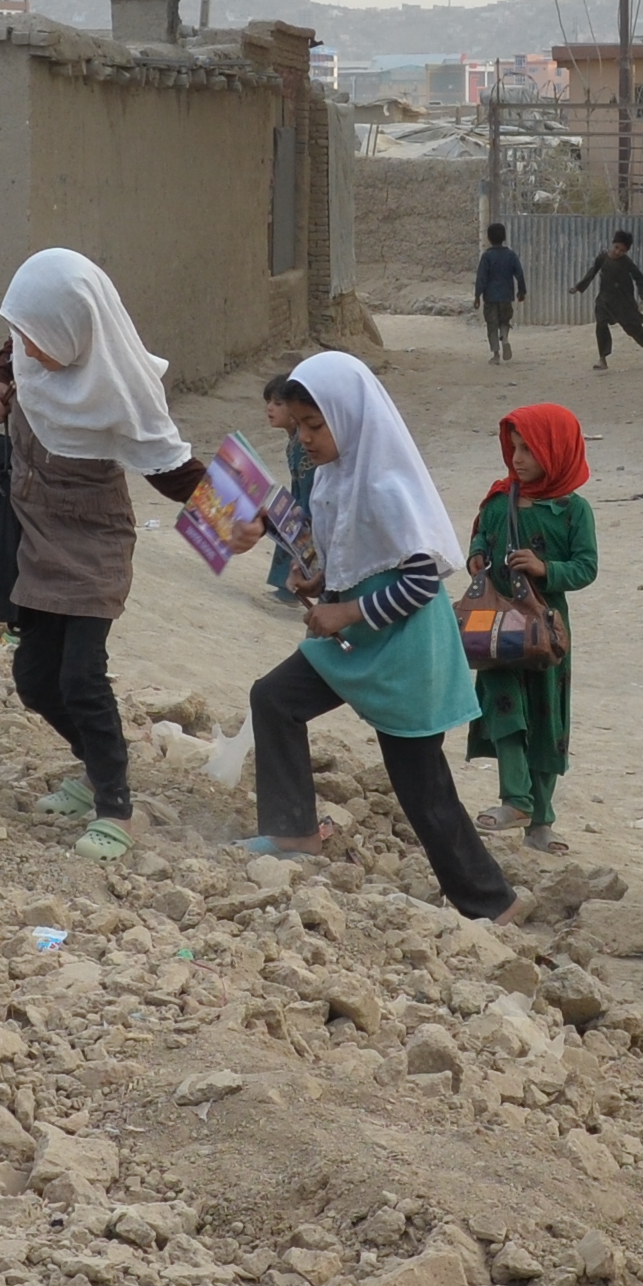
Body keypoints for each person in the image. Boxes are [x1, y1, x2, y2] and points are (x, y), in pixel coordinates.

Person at [237, 352, 516, 921]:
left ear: (352, 417)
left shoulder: (386, 486)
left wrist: (345, 613)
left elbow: (419, 581)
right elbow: (357, 556)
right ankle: (293, 832)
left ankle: (491, 904)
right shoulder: (336, 477)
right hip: (360, 644)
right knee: (274, 699)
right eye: (300, 428)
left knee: (421, 787)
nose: (306, 440)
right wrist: (320, 580)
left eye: (316, 426)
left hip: (405, 650)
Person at [0, 247, 206, 860]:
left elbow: (173, 469)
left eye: (38, 341)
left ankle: (115, 805)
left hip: (94, 542)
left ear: (77, 331)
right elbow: (11, 348)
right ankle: (91, 769)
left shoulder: (120, 390)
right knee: (33, 678)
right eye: (22, 338)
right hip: (36, 535)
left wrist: (256, 519)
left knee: (81, 677)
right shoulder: (30, 346)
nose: (27, 352)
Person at [463, 403, 599, 850]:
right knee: (504, 708)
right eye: (514, 447)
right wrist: (477, 556)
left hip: (545, 631)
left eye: (529, 449)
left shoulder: (572, 510)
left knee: (545, 720)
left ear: (556, 451)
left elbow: (586, 567)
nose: (517, 458)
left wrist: (545, 569)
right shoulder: (500, 500)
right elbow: (481, 534)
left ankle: (541, 820)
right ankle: (515, 798)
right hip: (496, 627)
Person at [575, 230, 643, 368]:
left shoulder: (627, 263)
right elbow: (592, 272)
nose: (618, 252)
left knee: (632, 328)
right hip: (604, 299)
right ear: (613, 244)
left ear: (626, 251)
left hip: (623, 301)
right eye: (617, 247)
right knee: (601, 325)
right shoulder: (603, 258)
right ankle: (602, 358)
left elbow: (639, 278)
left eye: (622, 250)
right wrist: (578, 287)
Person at [472, 224, 526, 363]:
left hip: (490, 297)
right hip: (506, 296)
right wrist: (521, 291)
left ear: (489, 238)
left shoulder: (487, 256)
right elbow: (519, 274)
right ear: (504, 237)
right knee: (504, 321)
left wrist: (477, 295)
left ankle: (496, 355)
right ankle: (505, 338)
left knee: (492, 325)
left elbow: (482, 278)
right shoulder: (511, 255)